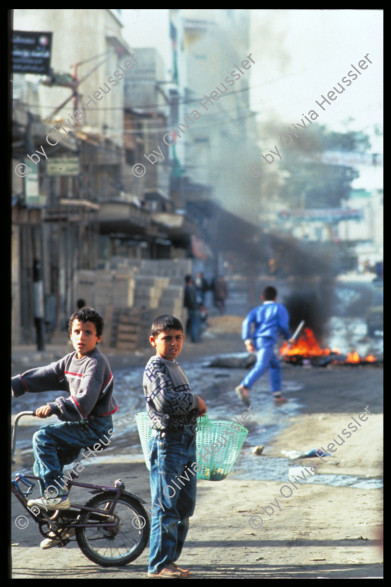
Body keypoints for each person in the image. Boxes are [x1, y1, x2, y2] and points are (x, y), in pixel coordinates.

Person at [11, 307, 117, 514]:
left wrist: (53, 407)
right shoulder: (70, 360)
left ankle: (56, 497)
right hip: (83, 424)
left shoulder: (96, 363)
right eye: (77, 332)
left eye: (88, 333)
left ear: (99, 338)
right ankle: (59, 519)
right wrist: (17, 384)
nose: (81, 337)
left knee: (43, 438)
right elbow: (48, 374)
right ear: (70, 335)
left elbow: (84, 402)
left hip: (96, 427)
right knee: (42, 464)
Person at [143, 314, 207, 579]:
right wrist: (195, 401)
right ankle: (158, 566)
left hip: (185, 440)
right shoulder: (155, 367)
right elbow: (165, 403)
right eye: (167, 338)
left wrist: (195, 408)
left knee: (184, 506)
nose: (173, 343)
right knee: (166, 506)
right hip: (168, 443)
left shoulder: (174, 365)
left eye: (178, 337)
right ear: (153, 340)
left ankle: (170, 560)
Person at [235, 285, 293, 405]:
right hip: (267, 340)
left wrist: (247, 340)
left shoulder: (256, 310)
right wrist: (288, 338)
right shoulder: (279, 308)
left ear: (262, 297)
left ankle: (277, 395)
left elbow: (246, 323)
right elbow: (283, 326)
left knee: (275, 365)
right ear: (276, 298)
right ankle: (244, 386)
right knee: (261, 365)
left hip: (259, 341)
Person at [183, 274, 201, 342]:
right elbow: (191, 300)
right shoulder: (190, 289)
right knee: (195, 323)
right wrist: (195, 307)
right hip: (193, 309)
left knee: (194, 323)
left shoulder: (188, 288)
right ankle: (195, 338)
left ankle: (195, 337)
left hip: (192, 308)